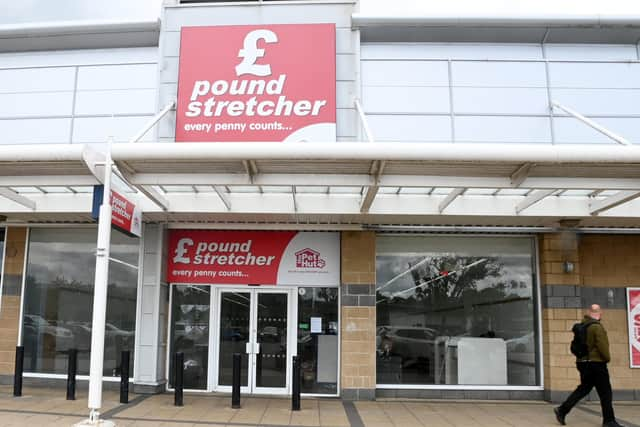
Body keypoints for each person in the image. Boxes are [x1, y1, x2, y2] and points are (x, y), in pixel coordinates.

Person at [554, 304, 624, 427]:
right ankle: (609, 421)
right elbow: (603, 347)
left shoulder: (582, 326)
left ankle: (562, 409)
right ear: (600, 312)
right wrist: (607, 359)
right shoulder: (597, 327)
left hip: (582, 363)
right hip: (597, 364)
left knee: (584, 388)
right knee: (605, 392)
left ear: (589, 312)